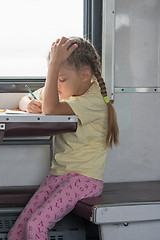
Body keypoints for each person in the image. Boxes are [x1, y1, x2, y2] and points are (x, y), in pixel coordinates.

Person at [8, 37, 119, 240]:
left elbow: (50, 110)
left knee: (35, 228)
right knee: (16, 233)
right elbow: (27, 98)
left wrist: (53, 66)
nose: (56, 84)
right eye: (54, 77)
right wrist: (28, 104)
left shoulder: (93, 100)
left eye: (61, 78)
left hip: (84, 179)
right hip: (58, 175)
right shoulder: (67, 91)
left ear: (85, 75)